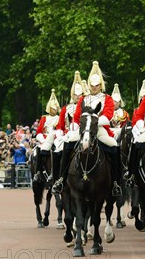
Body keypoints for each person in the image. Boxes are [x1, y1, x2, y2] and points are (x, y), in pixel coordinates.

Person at [53, 62, 122, 197]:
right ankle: (61, 179)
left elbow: (108, 116)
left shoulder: (107, 98)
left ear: (100, 85)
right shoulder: (83, 99)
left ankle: (115, 182)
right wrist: (77, 127)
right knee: (67, 144)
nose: (94, 88)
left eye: (97, 85)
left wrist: (93, 123)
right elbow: (77, 116)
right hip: (83, 129)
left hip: (100, 128)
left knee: (114, 147)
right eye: (92, 85)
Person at [51, 71, 85, 193]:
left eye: (80, 94)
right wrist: (60, 135)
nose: (78, 96)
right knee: (57, 150)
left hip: (83, 134)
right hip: (67, 135)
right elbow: (60, 126)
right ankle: (58, 178)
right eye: (76, 94)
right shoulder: (65, 109)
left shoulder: (85, 106)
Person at [33, 89, 60, 183]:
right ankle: (38, 171)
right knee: (39, 151)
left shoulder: (59, 118)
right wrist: (42, 140)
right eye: (53, 108)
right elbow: (39, 131)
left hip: (55, 137)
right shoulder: (44, 118)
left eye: (56, 108)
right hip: (45, 138)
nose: (55, 110)